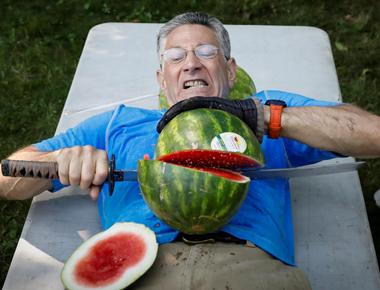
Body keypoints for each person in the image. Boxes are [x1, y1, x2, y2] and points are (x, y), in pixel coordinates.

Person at [1, 11, 380, 290]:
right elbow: (6, 178)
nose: (191, 63)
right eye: (175, 57)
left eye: (205, 51)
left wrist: (265, 117)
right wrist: (58, 162)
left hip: (251, 266)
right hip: (137, 270)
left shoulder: (269, 110)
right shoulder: (118, 122)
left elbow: (372, 134)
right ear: (161, 79)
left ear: (230, 71)